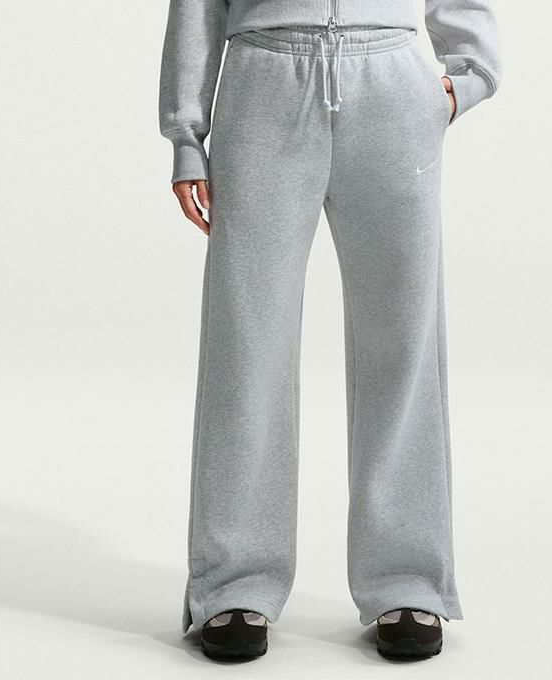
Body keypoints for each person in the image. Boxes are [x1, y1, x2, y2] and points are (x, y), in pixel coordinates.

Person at [159, 0, 501, 661]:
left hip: (392, 88)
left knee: (403, 343)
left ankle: (408, 580)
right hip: (262, 83)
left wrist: (468, 75)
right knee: (247, 343)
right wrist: (185, 133)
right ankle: (234, 582)